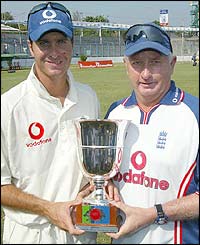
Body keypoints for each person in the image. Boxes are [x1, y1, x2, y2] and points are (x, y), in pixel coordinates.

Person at [1, 2, 119, 244]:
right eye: (44, 42)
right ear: (30, 47)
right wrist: (48, 208)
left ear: (72, 44)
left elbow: (94, 166)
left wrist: (104, 184)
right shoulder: (8, 106)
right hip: (30, 235)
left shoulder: (88, 97)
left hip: (81, 232)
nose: (54, 51)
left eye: (61, 41)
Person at [104, 23, 199, 244]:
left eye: (155, 62)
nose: (146, 74)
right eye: (137, 63)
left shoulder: (195, 115)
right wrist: (106, 183)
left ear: (172, 63)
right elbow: (106, 174)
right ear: (126, 66)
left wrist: (152, 213)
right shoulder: (114, 113)